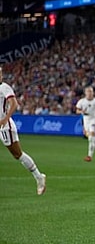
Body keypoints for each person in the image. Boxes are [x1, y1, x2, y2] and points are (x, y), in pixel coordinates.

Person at [0, 67, 47, 195]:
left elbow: (14, 104)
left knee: (17, 154)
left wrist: (5, 119)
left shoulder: (4, 87)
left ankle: (39, 177)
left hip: (5, 126)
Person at [75, 86, 95, 162]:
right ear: (85, 93)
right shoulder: (81, 101)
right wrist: (81, 112)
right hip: (86, 121)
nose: (90, 93)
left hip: (94, 120)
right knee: (92, 138)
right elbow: (77, 110)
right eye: (88, 92)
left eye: (91, 91)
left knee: (91, 137)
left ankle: (89, 156)